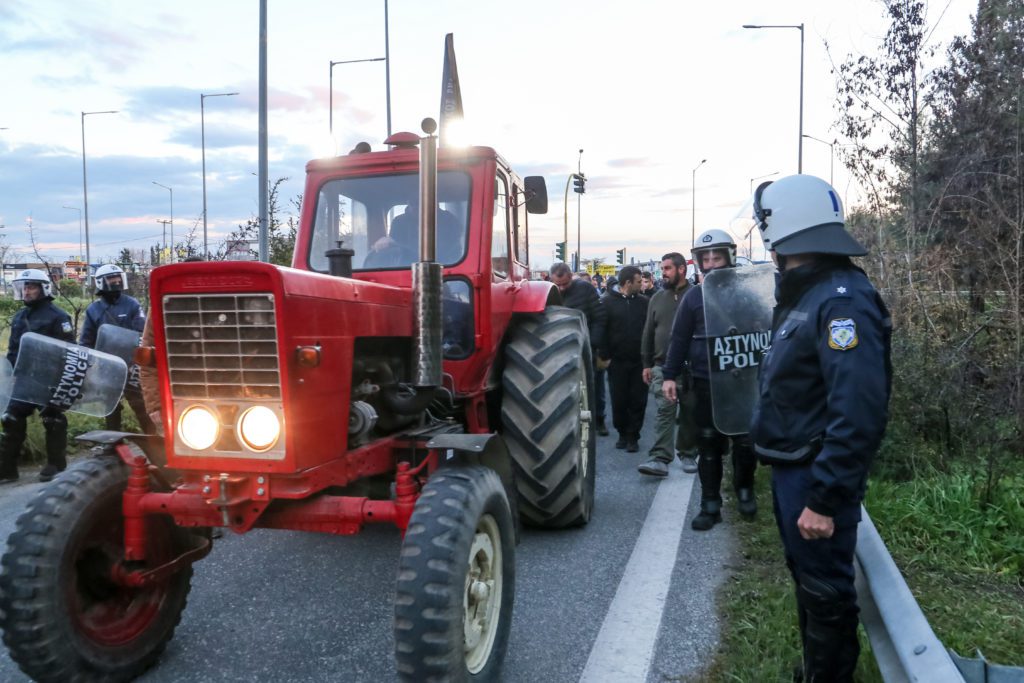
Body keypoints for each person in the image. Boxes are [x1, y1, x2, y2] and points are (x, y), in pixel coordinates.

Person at [750, 174, 891, 681]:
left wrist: (826, 497)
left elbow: (858, 411)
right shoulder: (810, 294)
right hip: (796, 469)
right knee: (810, 583)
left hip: (814, 476)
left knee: (827, 594)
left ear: (781, 226)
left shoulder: (840, 301)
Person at [662, 230, 758, 529]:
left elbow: (762, 329)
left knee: (745, 441)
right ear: (699, 262)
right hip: (705, 381)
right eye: (706, 258)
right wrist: (669, 376)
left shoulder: (746, 293)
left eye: (717, 256)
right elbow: (678, 339)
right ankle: (710, 504)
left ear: (728, 257)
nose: (712, 262)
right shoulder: (693, 296)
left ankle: (745, 491)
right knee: (708, 444)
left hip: (742, 379)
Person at [0, 269, 75, 484]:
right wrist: (12, 374)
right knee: (11, 418)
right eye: (24, 287)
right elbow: (13, 350)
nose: (26, 291)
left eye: (31, 286)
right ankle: (7, 469)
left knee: (52, 419)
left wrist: (63, 381)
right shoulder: (19, 317)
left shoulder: (59, 317)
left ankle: (56, 463)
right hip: (25, 380)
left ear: (43, 288)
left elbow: (69, 351)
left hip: (50, 380)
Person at [638, 252, 698, 477]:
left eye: (667, 268)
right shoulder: (657, 298)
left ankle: (688, 453)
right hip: (662, 366)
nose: (663, 273)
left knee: (690, 411)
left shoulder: (695, 295)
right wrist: (646, 363)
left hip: (690, 367)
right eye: (662, 269)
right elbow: (648, 332)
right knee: (664, 410)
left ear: (682, 269)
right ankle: (660, 458)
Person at [79, 264, 154, 434]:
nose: (115, 282)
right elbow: (86, 340)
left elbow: (141, 333)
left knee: (139, 402)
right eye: (111, 279)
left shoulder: (132, 304)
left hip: (131, 364)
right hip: (106, 367)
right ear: (100, 282)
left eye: (117, 278)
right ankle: (113, 441)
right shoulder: (94, 310)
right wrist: (86, 365)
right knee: (110, 405)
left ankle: (152, 438)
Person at [549, 262, 609, 434]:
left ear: (571, 277)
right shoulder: (552, 293)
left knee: (596, 386)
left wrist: (593, 344)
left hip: (587, 345)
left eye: (564, 284)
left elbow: (599, 318)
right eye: (557, 285)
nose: (560, 289)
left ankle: (599, 420)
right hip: (562, 349)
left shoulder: (585, 289)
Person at [602, 265, 649, 452]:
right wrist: (604, 356)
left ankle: (633, 436)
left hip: (639, 361)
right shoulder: (606, 302)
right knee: (619, 400)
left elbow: (649, 330)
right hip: (617, 362)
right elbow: (603, 330)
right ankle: (622, 433)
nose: (642, 285)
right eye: (639, 282)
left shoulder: (644, 302)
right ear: (628, 283)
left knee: (638, 400)